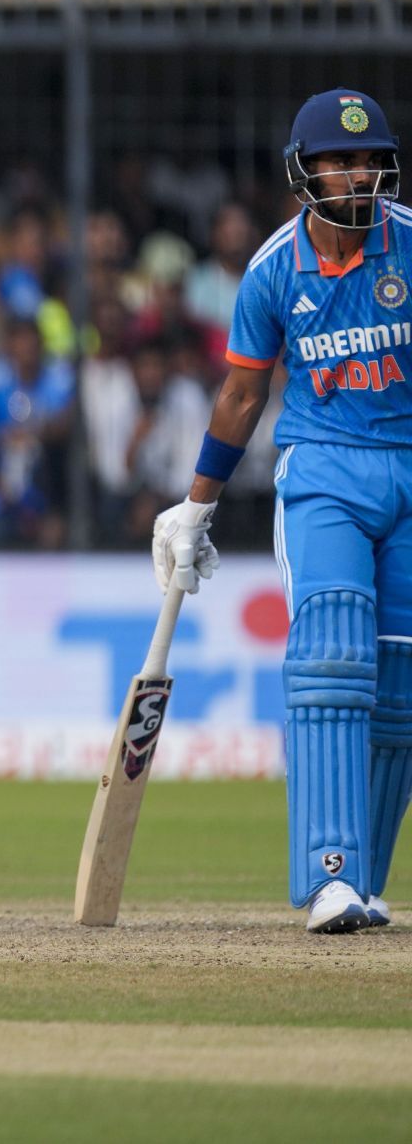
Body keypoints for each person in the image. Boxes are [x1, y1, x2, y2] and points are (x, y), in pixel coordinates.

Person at [153, 88, 412, 934]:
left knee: (400, 680)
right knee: (335, 652)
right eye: (339, 160)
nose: (357, 172)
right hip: (327, 472)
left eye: (368, 156)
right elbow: (240, 393)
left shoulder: (408, 243)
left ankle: (364, 884)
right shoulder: (273, 269)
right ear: (305, 171)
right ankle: (329, 875)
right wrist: (195, 507)